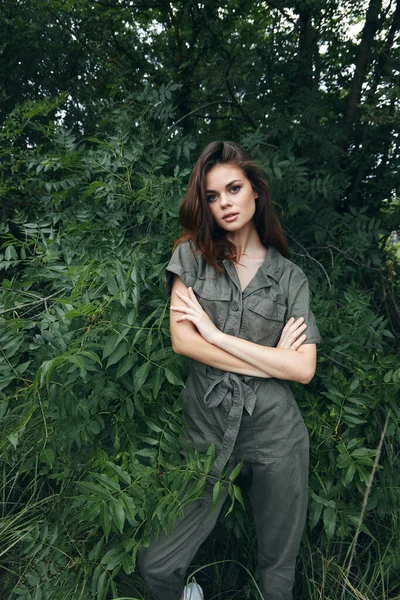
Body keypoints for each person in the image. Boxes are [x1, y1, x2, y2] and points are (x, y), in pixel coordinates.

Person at [138, 141, 321, 600]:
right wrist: (268, 359)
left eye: (233, 189)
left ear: (255, 191)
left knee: (278, 573)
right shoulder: (192, 259)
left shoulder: (290, 278)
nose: (225, 204)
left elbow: (302, 369)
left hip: (276, 430)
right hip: (207, 426)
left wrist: (215, 338)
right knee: (156, 564)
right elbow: (183, 342)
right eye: (213, 197)